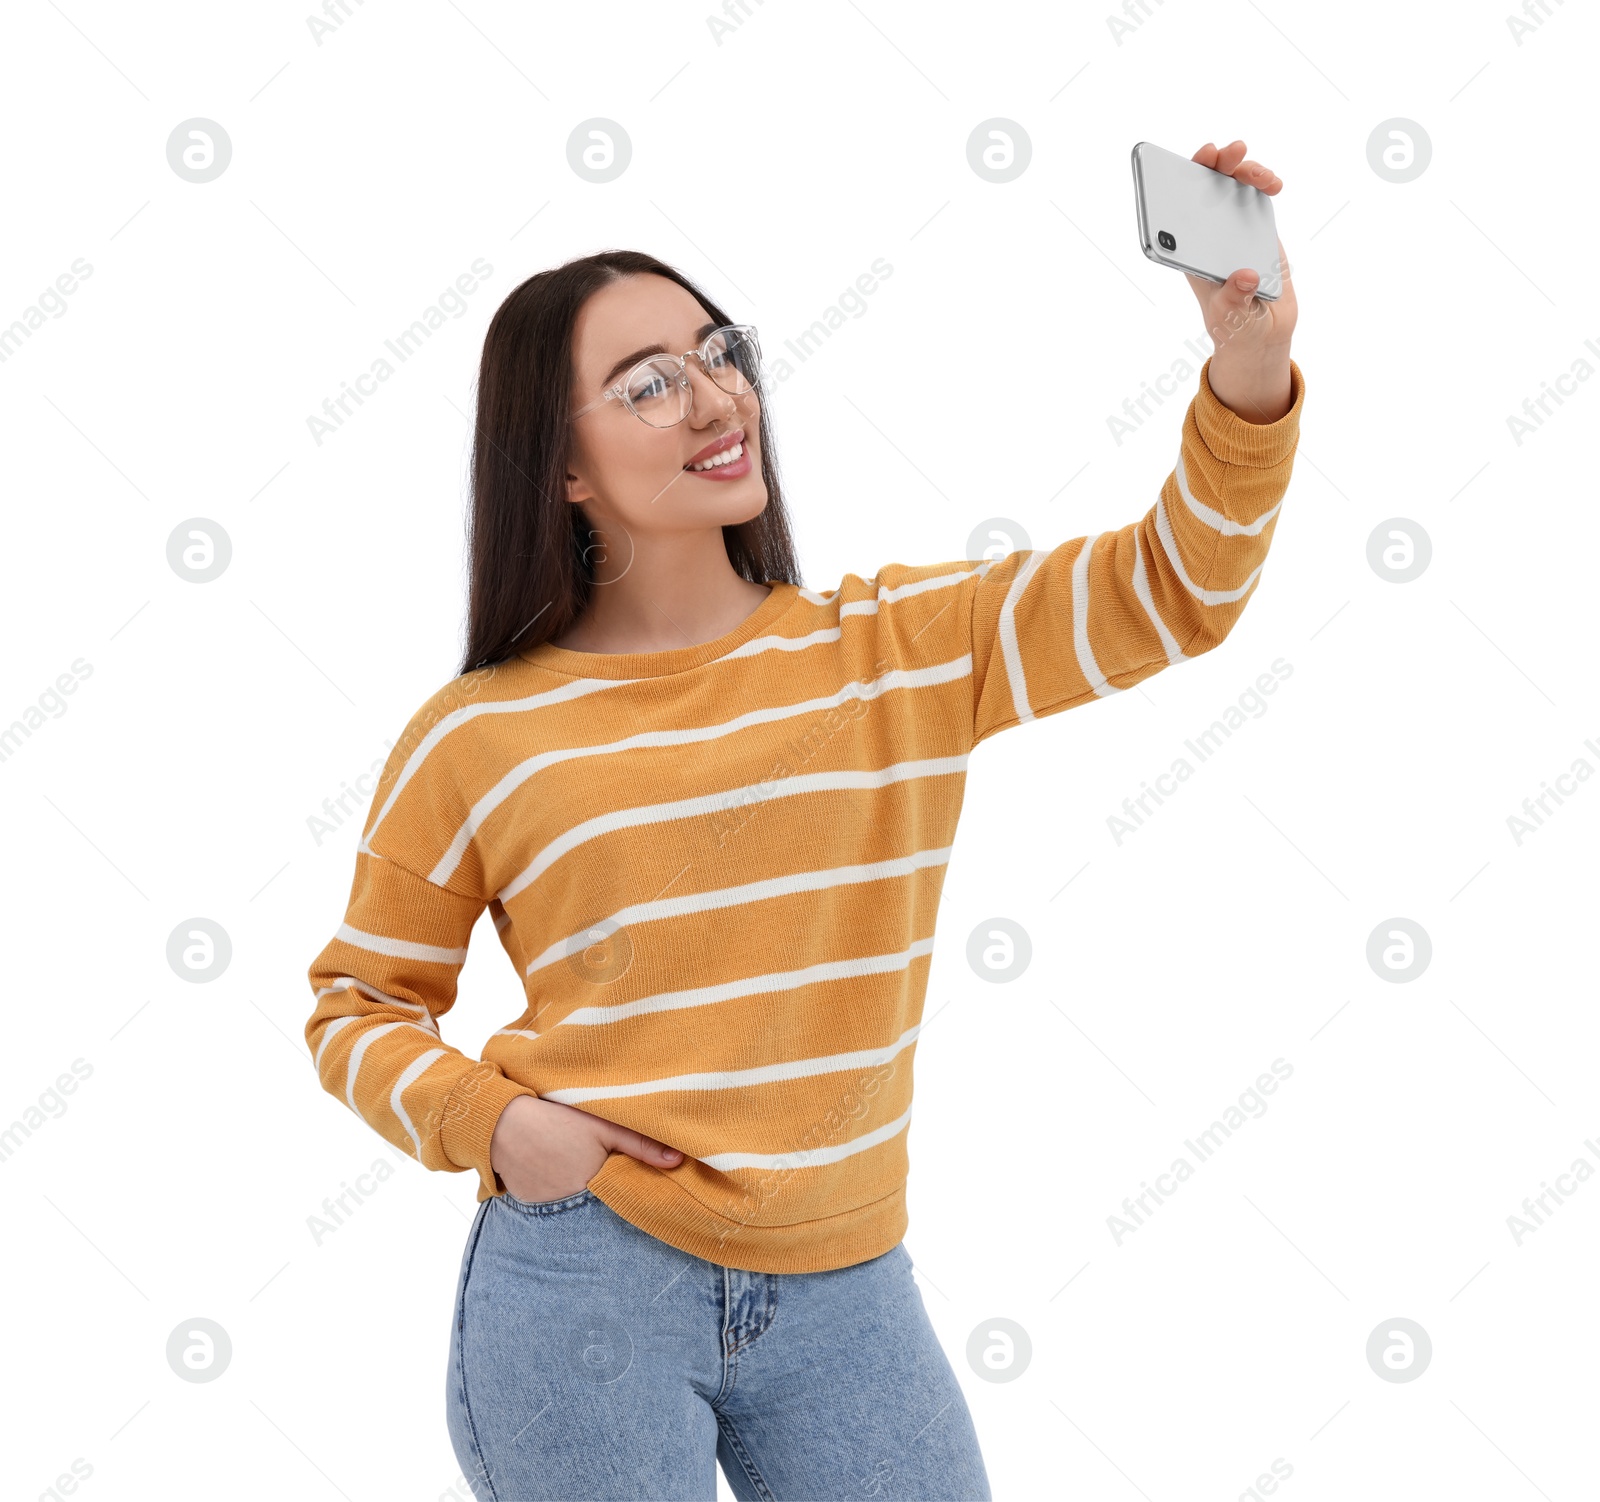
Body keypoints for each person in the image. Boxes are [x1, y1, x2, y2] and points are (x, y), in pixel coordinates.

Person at [304, 137, 1304, 1501]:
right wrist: (499, 1123)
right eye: (645, 384)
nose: (714, 396)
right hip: (585, 1279)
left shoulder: (896, 649)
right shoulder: (477, 733)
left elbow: (1176, 589)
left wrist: (1248, 365)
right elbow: (358, 997)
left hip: (850, 1290)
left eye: (718, 353)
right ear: (564, 470)